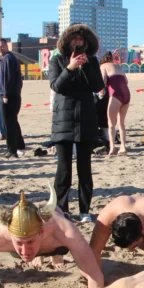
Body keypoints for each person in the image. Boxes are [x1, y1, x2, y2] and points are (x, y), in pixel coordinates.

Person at [48, 24, 104, 220]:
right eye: (75, 39)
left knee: (84, 169)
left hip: (86, 119)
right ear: (67, 41)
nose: (78, 42)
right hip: (63, 121)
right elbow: (56, 86)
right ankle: (61, 210)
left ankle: (84, 211)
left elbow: (98, 86)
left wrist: (86, 65)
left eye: (81, 39)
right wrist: (70, 67)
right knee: (63, 170)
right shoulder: (57, 60)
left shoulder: (92, 61)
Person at [0, 38, 25, 158]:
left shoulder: (8, 58)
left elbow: (7, 79)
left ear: (6, 46)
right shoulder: (6, 58)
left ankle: (12, 150)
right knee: (12, 121)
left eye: (1, 46)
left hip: (9, 95)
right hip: (10, 94)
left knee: (8, 124)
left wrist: (5, 95)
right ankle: (19, 146)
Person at [100, 52, 132, 155]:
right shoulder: (118, 66)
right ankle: (123, 146)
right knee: (121, 123)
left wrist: (101, 89)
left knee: (111, 124)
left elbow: (104, 80)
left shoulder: (103, 66)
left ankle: (112, 148)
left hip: (115, 94)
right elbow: (126, 81)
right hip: (126, 94)